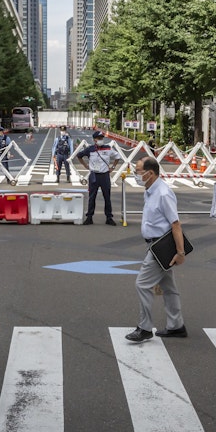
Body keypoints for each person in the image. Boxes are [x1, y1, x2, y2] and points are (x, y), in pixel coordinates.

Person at [125, 157, 187, 342]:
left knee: (142, 284)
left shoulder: (163, 193)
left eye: (138, 171)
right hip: (154, 245)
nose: (136, 175)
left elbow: (175, 224)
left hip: (161, 247)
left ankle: (144, 328)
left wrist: (180, 252)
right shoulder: (150, 191)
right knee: (168, 287)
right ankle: (176, 326)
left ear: (150, 173)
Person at [76, 130, 121, 225]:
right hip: (94, 175)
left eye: (102, 138)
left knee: (107, 197)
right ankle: (89, 217)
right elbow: (79, 156)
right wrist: (85, 166)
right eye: (99, 138)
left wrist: (113, 167)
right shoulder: (90, 149)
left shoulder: (108, 148)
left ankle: (109, 217)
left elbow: (117, 156)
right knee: (92, 197)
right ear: (94, 140)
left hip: (104, 176)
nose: (101, 140)